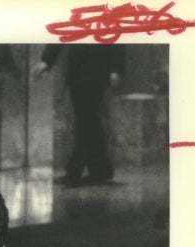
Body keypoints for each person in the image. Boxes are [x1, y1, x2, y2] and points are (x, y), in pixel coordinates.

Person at [32, 44, 126, 186]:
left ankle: (77, 171)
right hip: (85, 71)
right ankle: (100, 170)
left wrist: (46, 60)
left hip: (93, 70)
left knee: (85, 120)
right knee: (88, 120)